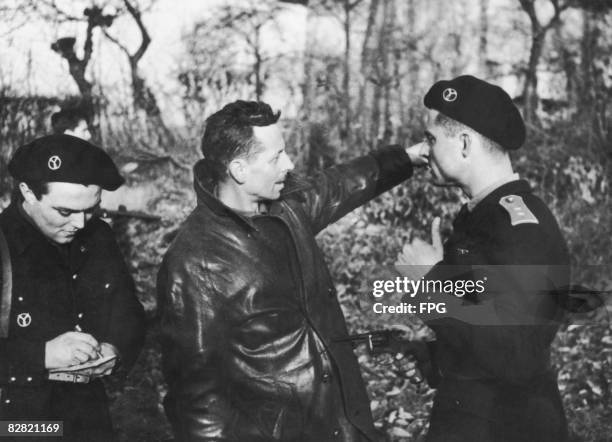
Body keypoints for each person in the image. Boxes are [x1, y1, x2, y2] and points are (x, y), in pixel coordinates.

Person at [157, 100, 426, 441]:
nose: (289, 164)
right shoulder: (195, 263)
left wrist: (407, 157)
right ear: (239, 169)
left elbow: (338, 184)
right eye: (276, 157)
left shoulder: (286, 207)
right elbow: (197, 400)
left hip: (341, 422)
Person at [395, 75, 569, 442]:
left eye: (430, 139)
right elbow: (484, 326)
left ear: (463, 143)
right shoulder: (479, 216)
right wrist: (435, 359)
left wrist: (430, 281)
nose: (423, 151)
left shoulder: (520, 226)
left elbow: (517, 351)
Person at [0, 134, 146, 441]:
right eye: (65, 212)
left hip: (88, 419)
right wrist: (41, 354)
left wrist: (115, 350)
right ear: (27, 192)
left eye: (91, 209)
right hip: (17, 425)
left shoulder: (97, 237)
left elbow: (128, 312)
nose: (80, 224)